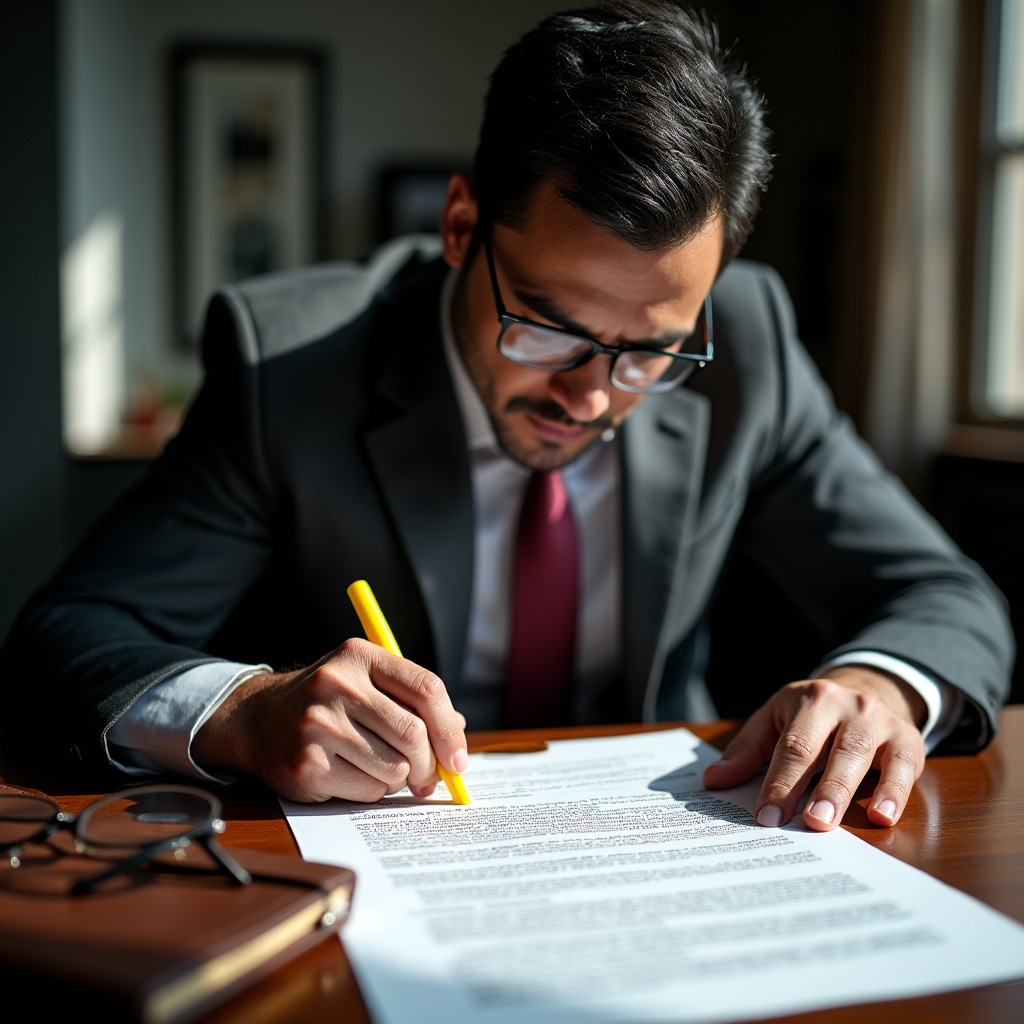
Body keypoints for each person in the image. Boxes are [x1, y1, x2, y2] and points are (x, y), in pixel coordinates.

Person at [0, 1, 1013, 831]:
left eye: (650, 348)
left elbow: (941, 591)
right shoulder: (292, 368)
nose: (591, 394)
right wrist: (239, 710)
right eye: (548, 326)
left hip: (667, 862)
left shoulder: (746, 347)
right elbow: (64, 638)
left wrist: (882, 685)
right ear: (458, 226)